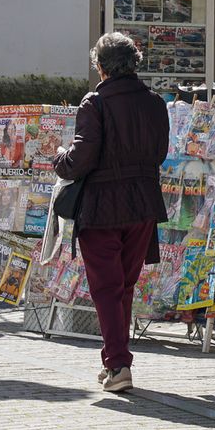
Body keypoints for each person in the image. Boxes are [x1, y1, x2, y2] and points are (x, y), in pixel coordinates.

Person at [54, 32, 169, 394]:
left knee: (106, 286)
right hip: (143, 203)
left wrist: (59, 157)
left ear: (101, 67)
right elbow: (160, 152)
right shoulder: (154, 102)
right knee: (124, 285)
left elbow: (80, 159)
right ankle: (114, 359)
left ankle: (119, 365)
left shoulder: (95, 103)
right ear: (133, 63)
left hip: (104, 205)